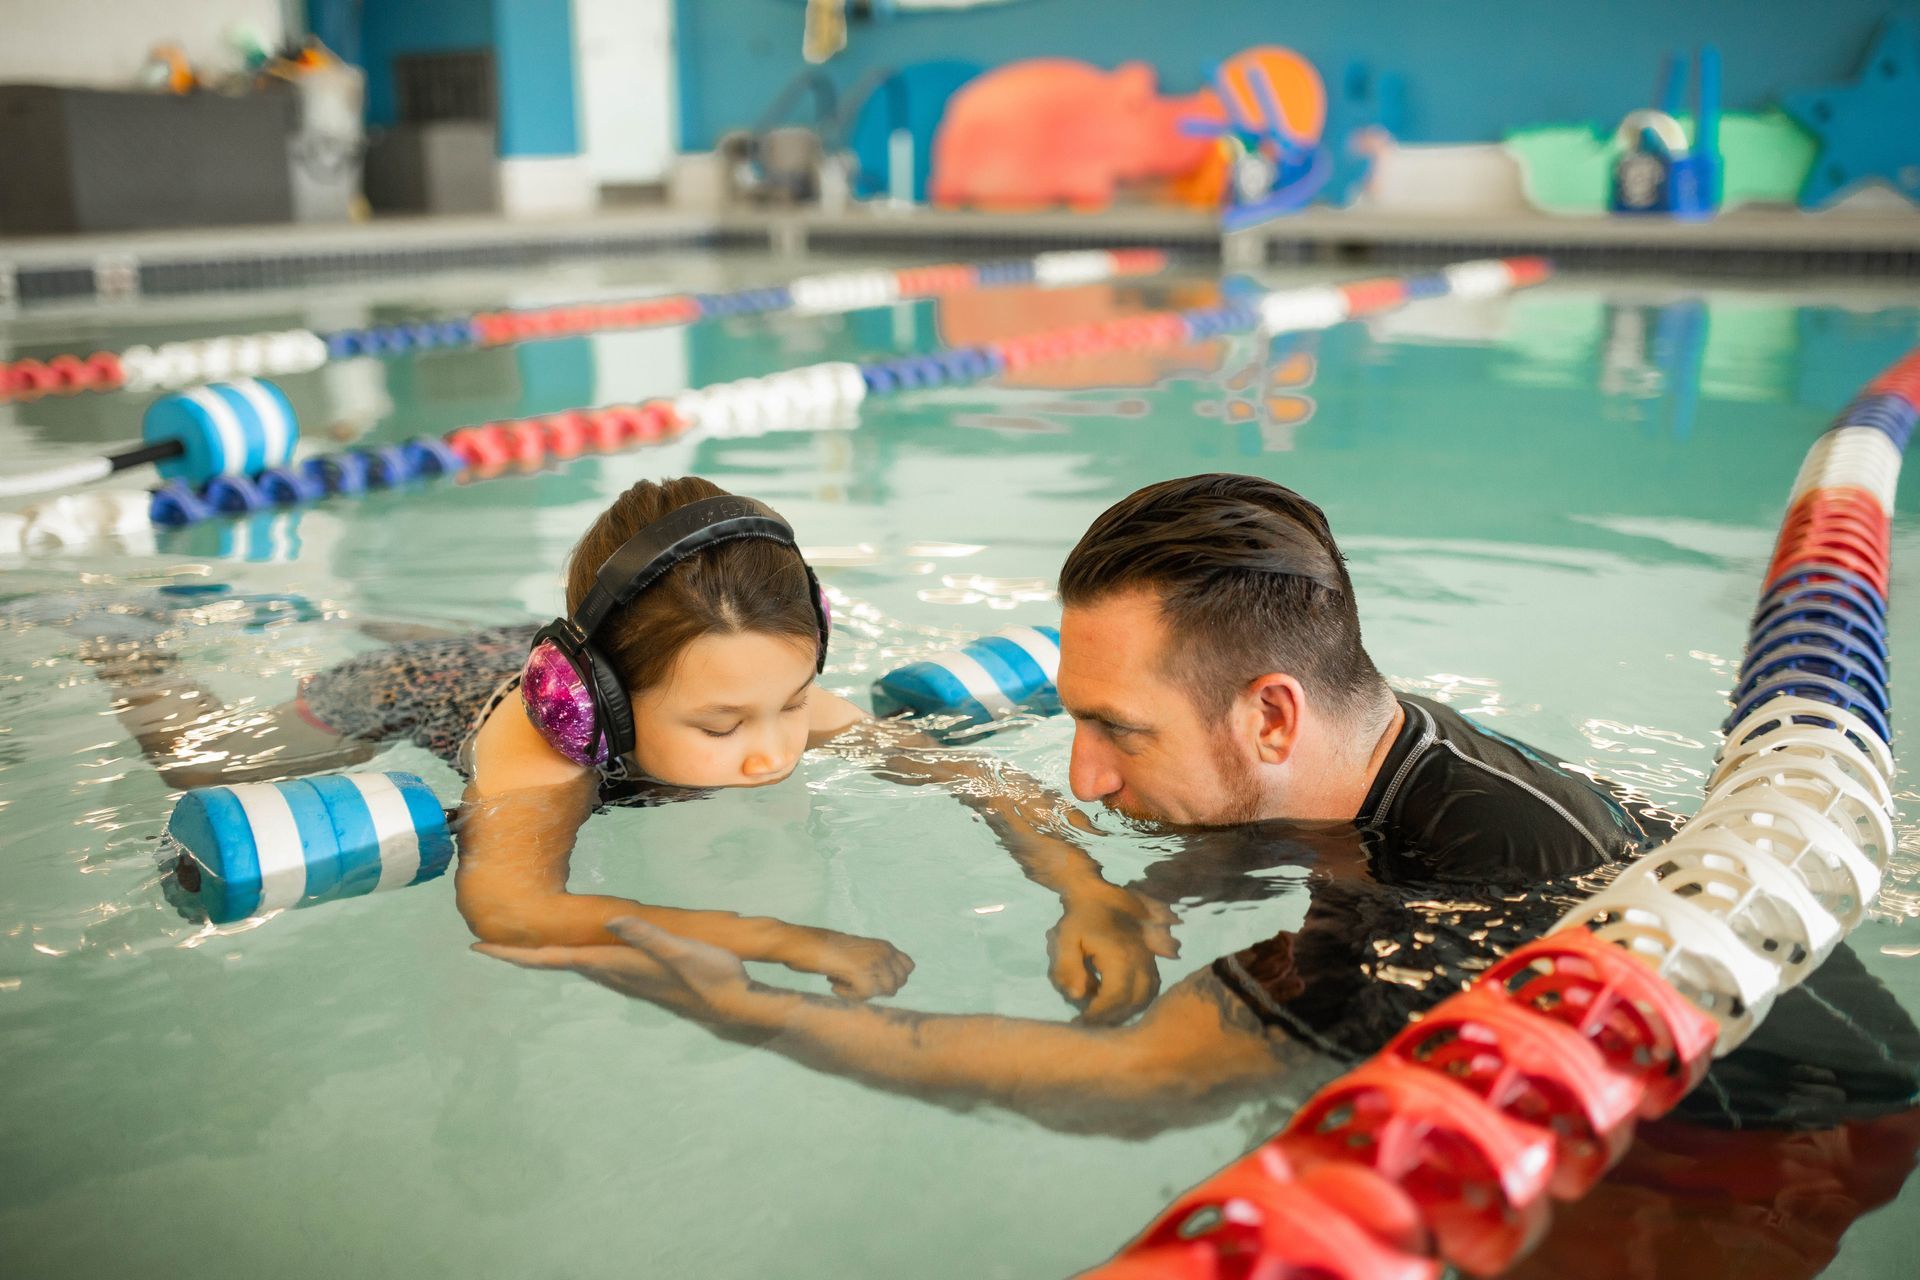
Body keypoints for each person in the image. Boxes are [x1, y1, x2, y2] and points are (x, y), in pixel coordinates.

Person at [477, 473, 1685, 1130]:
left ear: (1272, 714)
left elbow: (1133, 1081)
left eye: (1119, 728)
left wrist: (754, 1008)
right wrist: (1113, 888)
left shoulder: (1465, 882)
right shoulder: (1377, 749)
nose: (1082, 776)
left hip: (1752, 1169)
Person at [95, 476, 1173, 1012]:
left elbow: (964, 771)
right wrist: (791, 940)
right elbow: (511, 910)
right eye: (721, 725)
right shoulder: (546, 749)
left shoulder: (764, 689)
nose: (770, 754)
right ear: (599, 702)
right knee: (206, 757)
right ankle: (117, 646)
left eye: (790, 703)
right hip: (408, 693)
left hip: (520, 651)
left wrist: (1081, 885)